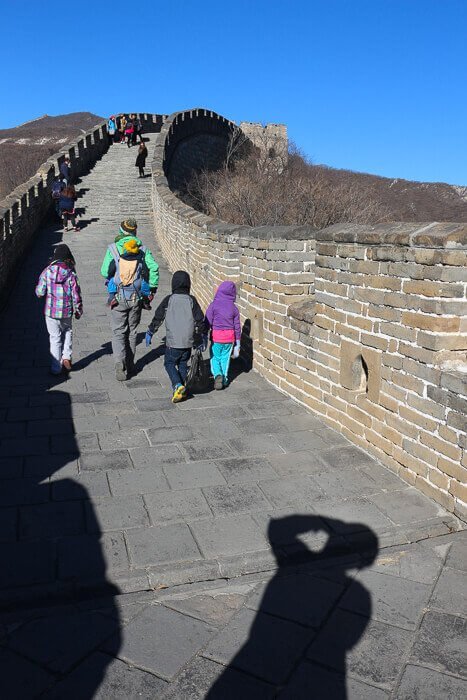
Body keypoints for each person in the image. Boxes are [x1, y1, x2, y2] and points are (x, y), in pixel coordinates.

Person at [100, 218, 159, 381]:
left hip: (118, 297)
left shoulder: (112, 249)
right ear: (135, 232)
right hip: (136, 297)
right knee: (132, 331)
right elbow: (154, 268)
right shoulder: (143, 249)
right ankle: (131, 364)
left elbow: (104, 271)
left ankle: (119, 363)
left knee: (118, 331)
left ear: (121, 231)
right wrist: (152, 288)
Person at [145, 271, 206, 403]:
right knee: (183, 364)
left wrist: (150, 331)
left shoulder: (169, 299)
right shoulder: (191, 300)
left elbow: (158, 317)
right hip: (188, 342)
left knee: (169, 363)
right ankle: (181, 390)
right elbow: (200, 320)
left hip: (172, 342)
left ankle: (177, 385)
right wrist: (201, 338)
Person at [35, 243, 83, 374]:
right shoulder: (71, 273)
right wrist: (78, 310)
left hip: (51, 311)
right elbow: (76, 295)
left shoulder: (47, 271)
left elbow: (39, 292)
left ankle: (56, 367)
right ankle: (66, 356)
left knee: (54, 337)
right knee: (68, 331)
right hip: (66, 310)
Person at [205, 281, 241, 389]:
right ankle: (225, 379)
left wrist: (203, 334)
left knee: (215, 357)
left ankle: (217, 375)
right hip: (230, 338)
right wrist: (238, 343)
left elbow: (207, 321)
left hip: (216, 336)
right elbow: (237, 326)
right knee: (225, 358)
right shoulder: (234, 308)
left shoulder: (213, 305)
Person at [105, 237, 153, 310]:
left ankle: (112, 297)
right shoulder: (141, 260)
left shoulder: (118, 259)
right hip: (135, 286)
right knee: (145, 282)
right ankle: (146, 299)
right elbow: (146, 272)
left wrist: (109, 276)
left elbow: (110, 271)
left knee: (111, 280)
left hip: (121, 282)